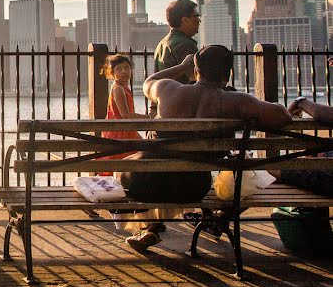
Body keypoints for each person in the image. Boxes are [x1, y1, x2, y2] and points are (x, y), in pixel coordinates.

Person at [122, 45, 291, 252]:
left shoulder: (168, 89)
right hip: (192, 189)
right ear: (228, 74)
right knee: (243, 178)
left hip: (143, 183)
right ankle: (215, 220)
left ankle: (149, 228)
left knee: (139, 165)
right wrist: (298, 101)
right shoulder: (235, 101)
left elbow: (149, 82)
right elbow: (283, 116)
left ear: (196, 70)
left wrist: (182, 66)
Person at [150, 0, 200, 116]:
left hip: (163, 107)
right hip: (181, 109)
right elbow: (195, 81)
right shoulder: (185, 45)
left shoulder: (162, 44)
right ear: (185, 20)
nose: (199, 20)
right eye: (196, 16)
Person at [100, 54, 148, 161]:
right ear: (112, 73)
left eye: (127, 68)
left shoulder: (123, 88)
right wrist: (149, 117)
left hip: (124, 131)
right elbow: (125, 115)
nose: (124, 71)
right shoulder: (118, 89)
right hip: (120, 133)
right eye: (119, 69)